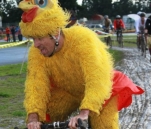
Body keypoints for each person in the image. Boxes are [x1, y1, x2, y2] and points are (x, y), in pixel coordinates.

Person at [18, 0, 144, 129]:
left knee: (104, 125)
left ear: (55, 33)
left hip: (101, 89)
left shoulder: (83, 39)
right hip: (68, 92)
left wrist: (84, 113)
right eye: (33, 39)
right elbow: (35, 85)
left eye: (39, 38)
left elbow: (96, 78)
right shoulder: (36, 52)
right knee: (43, 116)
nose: (36, 45)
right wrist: (33, 118)